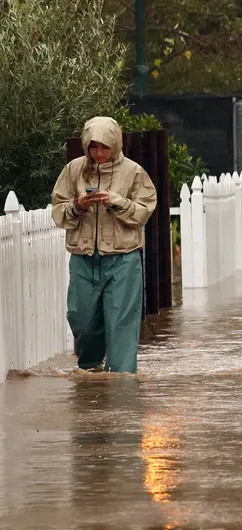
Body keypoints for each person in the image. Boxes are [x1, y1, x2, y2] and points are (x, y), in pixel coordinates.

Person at [49, 116, 158, 374]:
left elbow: (144, 211)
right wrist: (77, 206)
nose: (99, 153)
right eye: (94, 146)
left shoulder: (134, 172)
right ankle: (90, 373)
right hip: (83, 258)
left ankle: (121, 384)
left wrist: (115, 202)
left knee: (121, 325)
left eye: (105, 147)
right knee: (82, 320)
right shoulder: (73, 170)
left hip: (123, 259)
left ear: (116, 144)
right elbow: (58, 211)